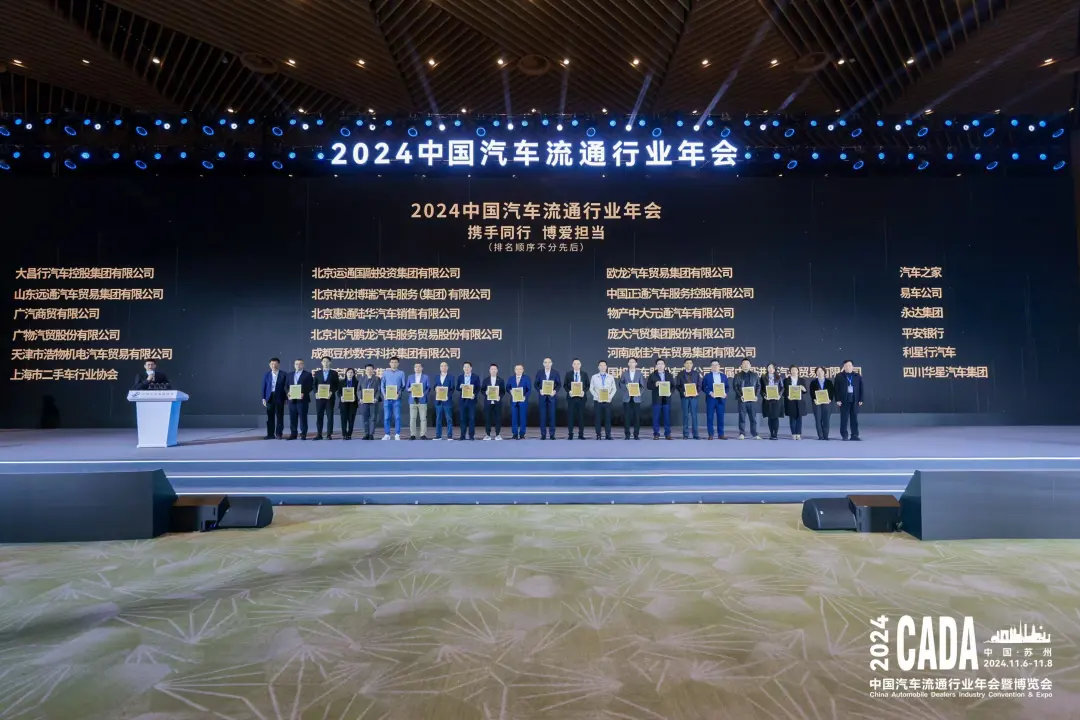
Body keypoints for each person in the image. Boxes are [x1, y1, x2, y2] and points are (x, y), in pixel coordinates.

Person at [835, 360, 865, 441]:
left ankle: (854, 435)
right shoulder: (839, 376)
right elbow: (836, 389)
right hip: (844, 400)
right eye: (846, 366)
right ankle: (844, 435)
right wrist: (837, 399)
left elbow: (861, 388)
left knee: (854, 419)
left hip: (855, 400)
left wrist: (861, 399)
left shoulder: (857, 376)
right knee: (844, 419)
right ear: (843, 367)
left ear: (852, 366)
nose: (848, 367)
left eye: (849, 365)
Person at [732, 358, 761, 440]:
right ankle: (742, 433)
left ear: (750, 365)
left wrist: (756, 395)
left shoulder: (755, 375)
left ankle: (754, 434)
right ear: (741, 365)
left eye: (747, 363)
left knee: (753, 418)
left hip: (752, 400)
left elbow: (758, 386)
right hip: (742, 399)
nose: (745, 365)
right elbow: (735, 386)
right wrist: (740, 395)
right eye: (744, 363)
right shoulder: (737, 375)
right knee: (742, 417)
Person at [701, 360, 730, 440]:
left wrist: (725, 393)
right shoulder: (707, 376)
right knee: (710, 417)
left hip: (721, 399)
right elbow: (703, 387)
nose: (715, 366)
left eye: (716, 365)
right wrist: (710, 392)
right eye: (713, 365)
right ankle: (710, 434)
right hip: (711, 399)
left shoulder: (723, 376)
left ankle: (721, 434)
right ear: (710, 367)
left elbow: (727, 387)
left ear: (719, 366)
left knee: (720, 417)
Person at [261, 357, 288, 439]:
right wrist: (263, 398)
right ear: (269, 365)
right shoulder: (267, 375)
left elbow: (286, 387)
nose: (274, 366)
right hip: (269, 397)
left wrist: (286, 398)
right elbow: (264, 387)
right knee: (270, 417)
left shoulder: (284, 374)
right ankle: (270, 434)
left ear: (279, 365)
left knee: (280, 416)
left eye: (275, 364)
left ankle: (279, 434)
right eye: (272, 364)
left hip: (280, 397)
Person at [313, 356, 339, 440]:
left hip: (330, 398)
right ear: (321, 363)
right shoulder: (317, 373)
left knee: (330, 416)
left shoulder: (334, 373)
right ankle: (319, 434)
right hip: (319, 398)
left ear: (330, 362)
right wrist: (316, 392)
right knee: (319, 416)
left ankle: (329, 434)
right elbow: (314, 384)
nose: (325, 363)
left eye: (327, 361)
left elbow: (337, 385)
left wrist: (331, 392)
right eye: (324, 361)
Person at [646, 359, 673, 440]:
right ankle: (656, 434)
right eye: (658, 364)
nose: (660, 365)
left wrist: (670, 392)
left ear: (664, 365)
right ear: (656, 366)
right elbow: (648, 386)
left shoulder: (669, 375)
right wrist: (655, 384)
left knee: (667, 417)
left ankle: (667, 434)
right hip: (657, 399)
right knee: (656, 417)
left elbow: (673, 386)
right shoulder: (652, 375)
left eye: (662, 364)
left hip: (666, 399)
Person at [286, 358, 313, 440]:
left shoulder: (308, 374)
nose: (298, 365)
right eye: (297, 364)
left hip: (302, 399)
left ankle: (303, 433)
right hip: (292, 400)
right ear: (294, 365)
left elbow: (310, 386)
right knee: (292, 418)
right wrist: (288, 393)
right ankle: (293, 434)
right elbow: (286, 386)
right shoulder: (289, 374)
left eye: (300, 364)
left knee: (303, 417)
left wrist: (304, 393)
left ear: (303, 365)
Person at [534, 358, 560, 440]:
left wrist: (555, 391)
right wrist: (540, 390)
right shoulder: (539, 372)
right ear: (543, 364)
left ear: (551, 364)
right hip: (542, 397)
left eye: (549, 362)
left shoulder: (555, 373)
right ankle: (543, 434)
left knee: (552, 416)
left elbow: (559, 384)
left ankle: (552, 435)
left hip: (552, 397)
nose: (547, 364)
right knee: (542, 416)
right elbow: (535, 384)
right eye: (545, 362)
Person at [675, 359, 702, 440]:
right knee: (685, 415)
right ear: (684, 364)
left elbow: (699, 384)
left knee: (694, 416)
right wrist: (682, 392)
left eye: (690, 363)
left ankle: (695, 434)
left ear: (692, 365)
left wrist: (697, 392)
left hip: (694, 397)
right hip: (685, 397)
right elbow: (678, 385)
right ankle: (685, 434)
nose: (689, 364)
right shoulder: (680, 374)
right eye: (687, 363)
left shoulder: (696, 373)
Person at [563, 358, 589, 440]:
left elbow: (588, 385)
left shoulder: (584, 374)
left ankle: (581, 434)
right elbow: (565, 385)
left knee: (581, 417)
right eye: (575, 364)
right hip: (571, 398)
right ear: (572, 365)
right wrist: (569, 391)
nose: (576, 365)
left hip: (581, 398)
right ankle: (570, 434)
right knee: (570, 417)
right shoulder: (568, 374)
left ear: (580, 365)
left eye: (578, 364)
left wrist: (584, 391)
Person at [381, 356, 405, 440]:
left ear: (398, 364)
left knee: (397, 417)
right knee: (386, 417)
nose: (394, 364)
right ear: (389, 363)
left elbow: (403, 385)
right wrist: (384, 394)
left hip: (396, 399)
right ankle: (387, 434)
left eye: (395, 362)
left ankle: (397, 434)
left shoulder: (401, 373)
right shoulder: (385, 373)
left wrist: (399, 393)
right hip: (387, 399)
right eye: (392, 362)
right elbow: (382, 385)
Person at [620, 357, 644, 440]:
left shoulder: (639, 374)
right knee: (627, 417)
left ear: (636, 364)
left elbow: (642, 386)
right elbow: (621, 384)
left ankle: (636, 434)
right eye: (630, 362)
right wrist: (625, 386)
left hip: (636, 398)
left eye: (633, 362)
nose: (631, 363)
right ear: (628, 364)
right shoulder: (624, 373)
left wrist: (638, 393)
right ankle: (627, 434)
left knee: (636, 417)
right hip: (627, 398)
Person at [480, 363, 506, 440]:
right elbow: (482, 390)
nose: (493, 370)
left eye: (495, 369)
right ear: (489, 370)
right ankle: (487, 434)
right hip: (488, 402)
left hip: (497, 402)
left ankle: (498, 434)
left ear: (497, 370)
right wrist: (486, 393)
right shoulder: (486, 380)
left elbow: (503, 391)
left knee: (498, 419)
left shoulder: (501, 380)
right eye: (492, 369)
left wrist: (499, 396)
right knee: (487, 418)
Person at [590, 361, 614, 440]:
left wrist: (610, 397)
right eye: (601, 365)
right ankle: (598, 434)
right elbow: (591, 388)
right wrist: (597, 396)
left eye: (604, 365)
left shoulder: (610, 377)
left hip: (608, 401)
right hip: (597, 401)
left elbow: (614, 388)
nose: (602, 367)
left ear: (606, 367)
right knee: (598, 418)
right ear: (598, 367)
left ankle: (608, 435)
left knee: (608, 418)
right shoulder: (594, 377)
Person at [784, 365, 809, 440]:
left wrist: (803, 389)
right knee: (792, 419)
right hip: (790, 401)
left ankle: (798, 433)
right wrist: (787, 396)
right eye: (792, 370)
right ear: (790, 371)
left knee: (799, 418)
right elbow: (784, 391)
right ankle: (793, 433)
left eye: (795, 370)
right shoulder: (786, 380)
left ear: (798, 371)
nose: (794, 371)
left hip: (799, 402)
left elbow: (805, 391)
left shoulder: (802, 380)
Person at [407, 362, 431, 440]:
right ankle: (412, 434)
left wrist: (424, 394)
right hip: (412, 400)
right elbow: (407, 387)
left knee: (423, 418)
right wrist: (409, 389)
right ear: (414, 368)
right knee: (412, 418)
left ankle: (423, 434)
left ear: (422, 368)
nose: (417, 368)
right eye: (416, 367)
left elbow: (428, 388)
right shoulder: (410, 377)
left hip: (422, 399)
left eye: (419, 367)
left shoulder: (426, 377)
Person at [457, 361, 480, 440]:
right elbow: (457, 388)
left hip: (471, 400)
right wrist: (460, 387)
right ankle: (462, 435)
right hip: (462, 401)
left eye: (468, 367)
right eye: (465, 367)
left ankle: (471, 435)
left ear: (471, 368)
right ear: (463, 368)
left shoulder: (475, 377)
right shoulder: (460, 377)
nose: (466, 368)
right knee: (462, 419)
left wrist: (474, 394)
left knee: (471, 418)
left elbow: (478, 388)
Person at [507, 364, 531, 439]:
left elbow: (529, 390)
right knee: (514, 418)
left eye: (520, 369)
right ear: (514, 370)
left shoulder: (526, 378)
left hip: (523, 401)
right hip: (514, 401)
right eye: (517, 369)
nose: (518, 370)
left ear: (523, 370)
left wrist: (525, 397)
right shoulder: (511, 378)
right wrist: (510, 391)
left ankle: (522, 434)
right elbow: (507, 388)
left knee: (523, 418)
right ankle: (514, 434)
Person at [433, 361, 455, 441]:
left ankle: (449, 435)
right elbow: (434, 386)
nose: (443, 367)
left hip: (447, 401)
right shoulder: (436, 377)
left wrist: (447, 396)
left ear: (447, 367)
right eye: (442, 366)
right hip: (438, 401)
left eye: (445, 366)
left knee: (449, 419)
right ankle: (438, 435)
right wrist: (435, 388)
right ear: (440, 368)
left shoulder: (451, 377)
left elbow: (452, 389)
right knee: (438, 418)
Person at [760, 363, 783, 440]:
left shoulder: (779, 377)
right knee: (770, 417)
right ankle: (771, 433)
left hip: (776, 400)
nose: (770, 369)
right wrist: (764, 395)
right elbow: (761, 389)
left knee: (775, 417)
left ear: (774, 369)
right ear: (767, 369)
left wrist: (779, 395)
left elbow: (782, 388)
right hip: (768, 400)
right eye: (769, 367)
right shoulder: (763, 377)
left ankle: (775, 434)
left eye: (772, 368)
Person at [358, 364, 381, 440]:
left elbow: (379, 390)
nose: (369, 371)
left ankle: (371, 434)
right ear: (365, 370)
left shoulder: (377, 379)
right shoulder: (362, 378)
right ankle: (366, 433)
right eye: (368, 369)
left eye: (371, 369)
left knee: (373, 418)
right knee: (365, 418)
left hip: (373, 401)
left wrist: (376, 398)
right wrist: (360, 398)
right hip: (364, 401)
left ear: (373, 370)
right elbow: (359, 389)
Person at [810, 366, 834, 440]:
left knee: (826, 419)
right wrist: (814, 399)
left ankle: (826, 436)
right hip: (817, 403)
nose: (820, 373)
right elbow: (811, 392)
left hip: (827, 403)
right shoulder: (813, 382)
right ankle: (820, 436)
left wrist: (830, 399)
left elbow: (832, 392)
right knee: (818, 419)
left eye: (821, 371)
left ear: (824, 372)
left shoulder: (829, 382)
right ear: (816, 373)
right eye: (818, 371)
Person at [338, 367, 359, 440]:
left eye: (351, 372)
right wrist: (341, 397)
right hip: (343, 403)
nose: (350, 374)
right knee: (343, 419)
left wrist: (355, 397)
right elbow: (338, 392)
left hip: (353, 403)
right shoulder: (341, 382)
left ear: (354, 374)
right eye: (348, 372)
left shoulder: (357, 382)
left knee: (351, 419)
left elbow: (358, 392)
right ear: (346, 373)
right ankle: (344, 434)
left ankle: (349, 434)